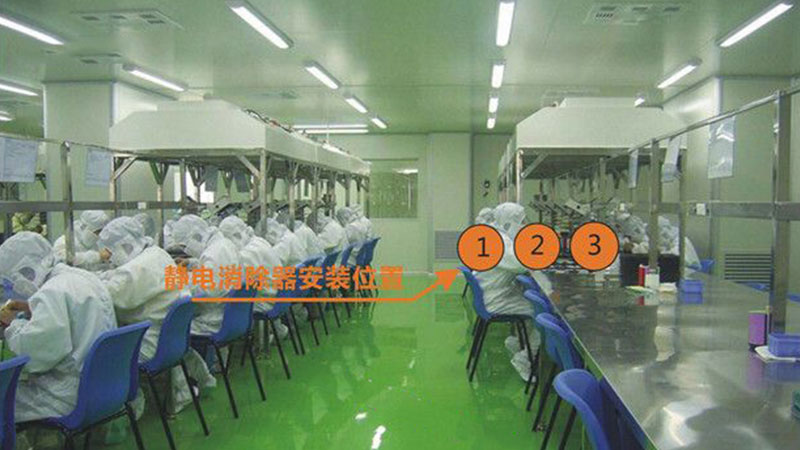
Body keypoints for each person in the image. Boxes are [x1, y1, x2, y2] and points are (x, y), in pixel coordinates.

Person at [97, 217, 216, 414]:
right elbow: (125, 278)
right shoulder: (157, 254)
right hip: (170, 342)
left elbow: (109, 297)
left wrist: (88, 281)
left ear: (123, 246)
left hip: (150, 344)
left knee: (90, 353)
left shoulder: (136, 270)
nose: (109, 259)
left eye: (110, 253)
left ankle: (118, 407)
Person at [0, 232, 117, 422]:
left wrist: (12, 323)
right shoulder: (79, 276)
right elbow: (70, 313)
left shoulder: (52, 291)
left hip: (69, 394)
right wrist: (33, 307)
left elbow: (35, 357)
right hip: (106, 380)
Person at [474, 203, 540, 381]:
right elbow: (521, 263)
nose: (524, 225)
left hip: (492, 294)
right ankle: (524, 359)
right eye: (521, 221)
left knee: (529, 302)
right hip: (495, 300)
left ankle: (517, 342)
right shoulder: (501, 242)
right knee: (543, 314)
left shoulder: (497, 236)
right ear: (509, 223)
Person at [167, 214, 240, 335]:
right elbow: (214, 269)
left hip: (211, 320)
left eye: (185, 246)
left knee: (169, 327)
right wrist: (191, 263)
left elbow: (206, 292)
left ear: (196, 236)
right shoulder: (222, 244)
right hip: (226, 312)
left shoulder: (214, 253)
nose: (186, 251)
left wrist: (182, 281)